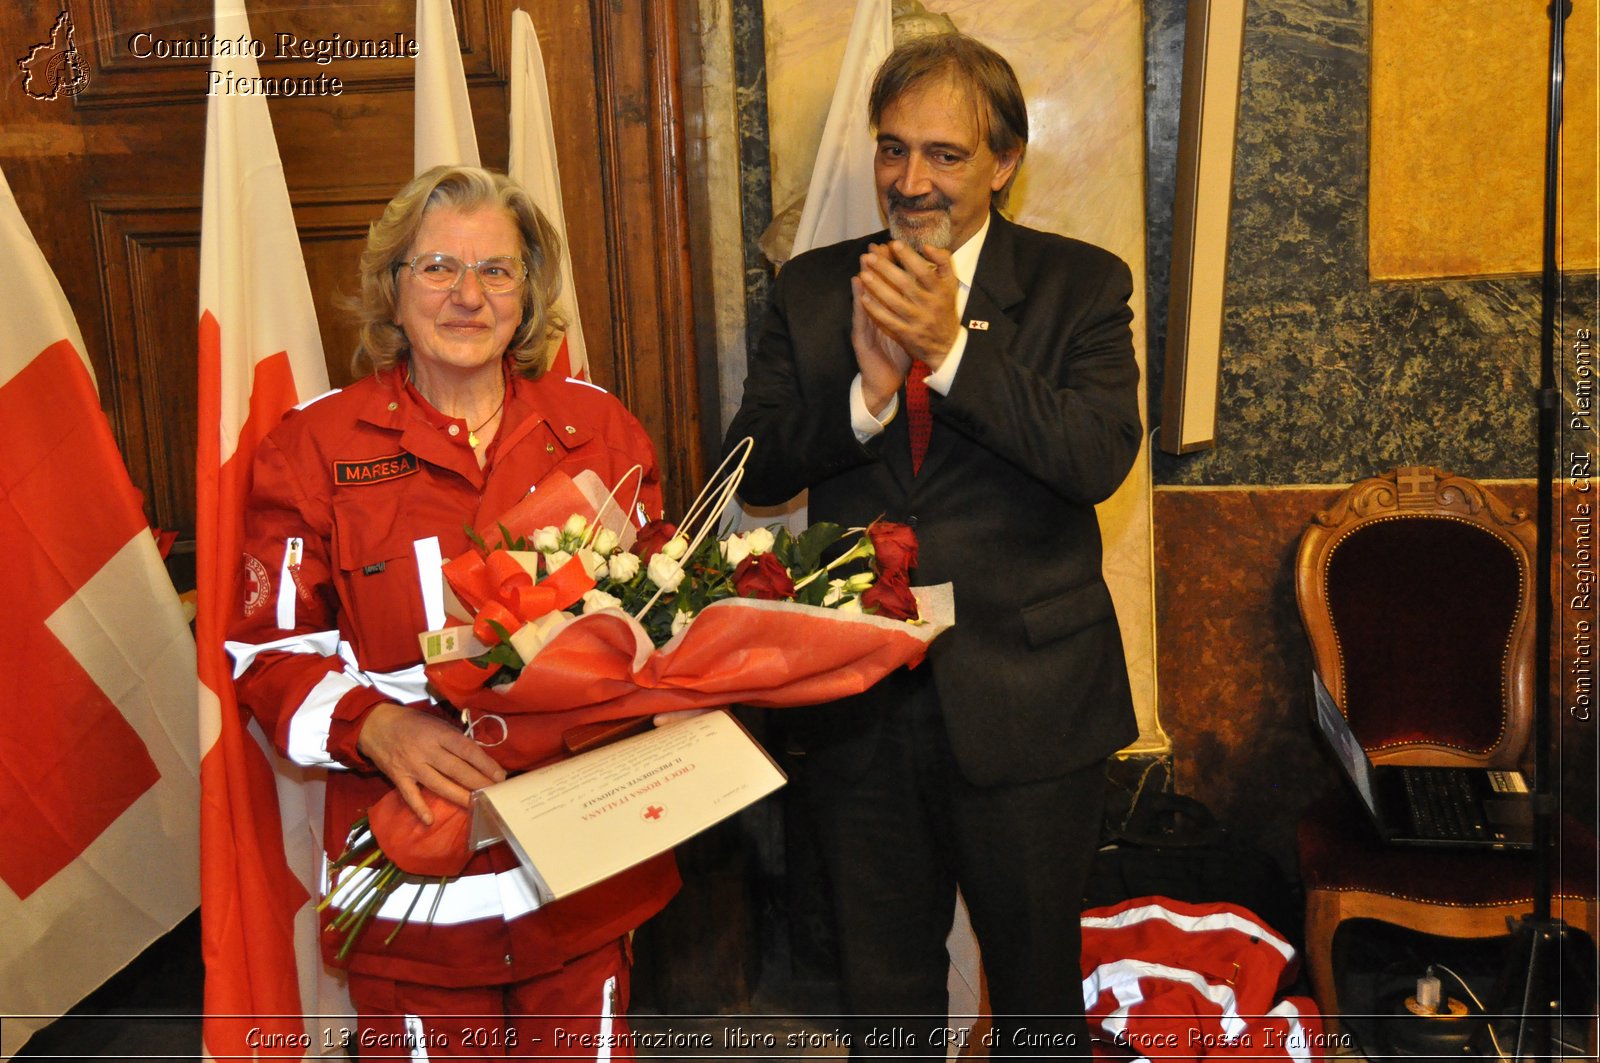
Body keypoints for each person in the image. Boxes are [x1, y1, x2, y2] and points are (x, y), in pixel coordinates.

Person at [725, 33, 1142, 1057]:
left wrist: (949, 354)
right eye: (892, 149)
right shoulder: (817, 290)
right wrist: (865, 395)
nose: (912, 181)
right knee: (884, 1006)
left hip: (1030, 705)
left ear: (1003, 162)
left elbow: (1093, 457)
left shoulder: (1078, 284)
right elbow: (756, 468)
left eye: (945, 155)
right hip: (859, 714)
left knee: (1040, 1003)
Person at [227, 165, 678, 1058]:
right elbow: (266, 655)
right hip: (409, 883)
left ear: (530, 292)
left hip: (580, 871)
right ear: (392, 288)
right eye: (437, 268)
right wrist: (377, 726)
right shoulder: (311, 445)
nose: (468, 296)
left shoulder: (602, 431)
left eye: (497, 271)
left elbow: (663, 622)